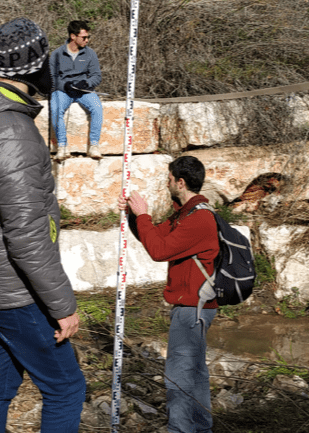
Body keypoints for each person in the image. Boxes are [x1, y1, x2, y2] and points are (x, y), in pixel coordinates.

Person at [0, 17, 85, 433]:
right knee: (66, 388)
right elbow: (26, 234)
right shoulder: (11, 130)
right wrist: (63, 306)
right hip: (14, 289)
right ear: (34, 67)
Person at [118, 156, 220, 433]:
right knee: (195, 373)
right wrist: (133, 216)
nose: (167, 184)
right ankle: (201, 428)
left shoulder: (199, 219)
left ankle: (180, 428)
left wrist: (143, 214)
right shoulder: (185, 214)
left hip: (192, 309)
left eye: (169, 179)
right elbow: (153, 236)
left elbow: (159, 251)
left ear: (181, 182)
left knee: (179, 375)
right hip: (195, 307)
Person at [49, 20, 103, 161]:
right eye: (84, 37)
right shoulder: (57, 54)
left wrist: (86, 83)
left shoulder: (90, 54)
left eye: (88, 37)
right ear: (73, 36)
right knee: (56, 108)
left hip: (83, 90)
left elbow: (97, 76)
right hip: (63, 91)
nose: (87, 40)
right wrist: (64, 86)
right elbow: (52, 78)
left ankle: (94, 145)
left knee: (97, 107)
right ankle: (62, 147)